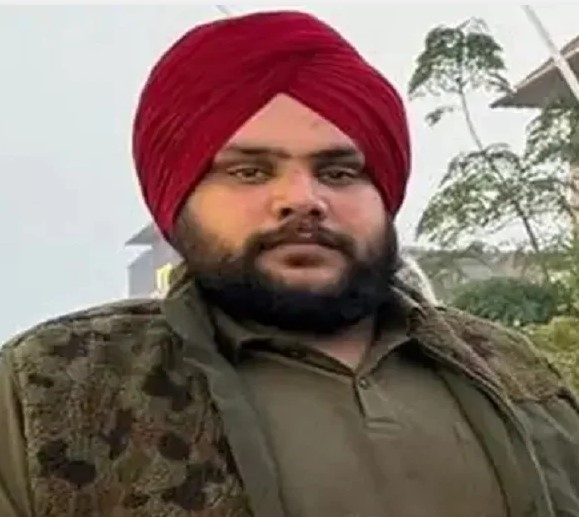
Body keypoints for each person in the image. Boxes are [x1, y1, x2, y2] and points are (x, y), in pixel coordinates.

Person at [0, 10, 578, 517]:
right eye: (250, 171)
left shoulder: (518, 376)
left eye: (339, 172)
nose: (303, 199)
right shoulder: (55, 388)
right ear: (178, 202)